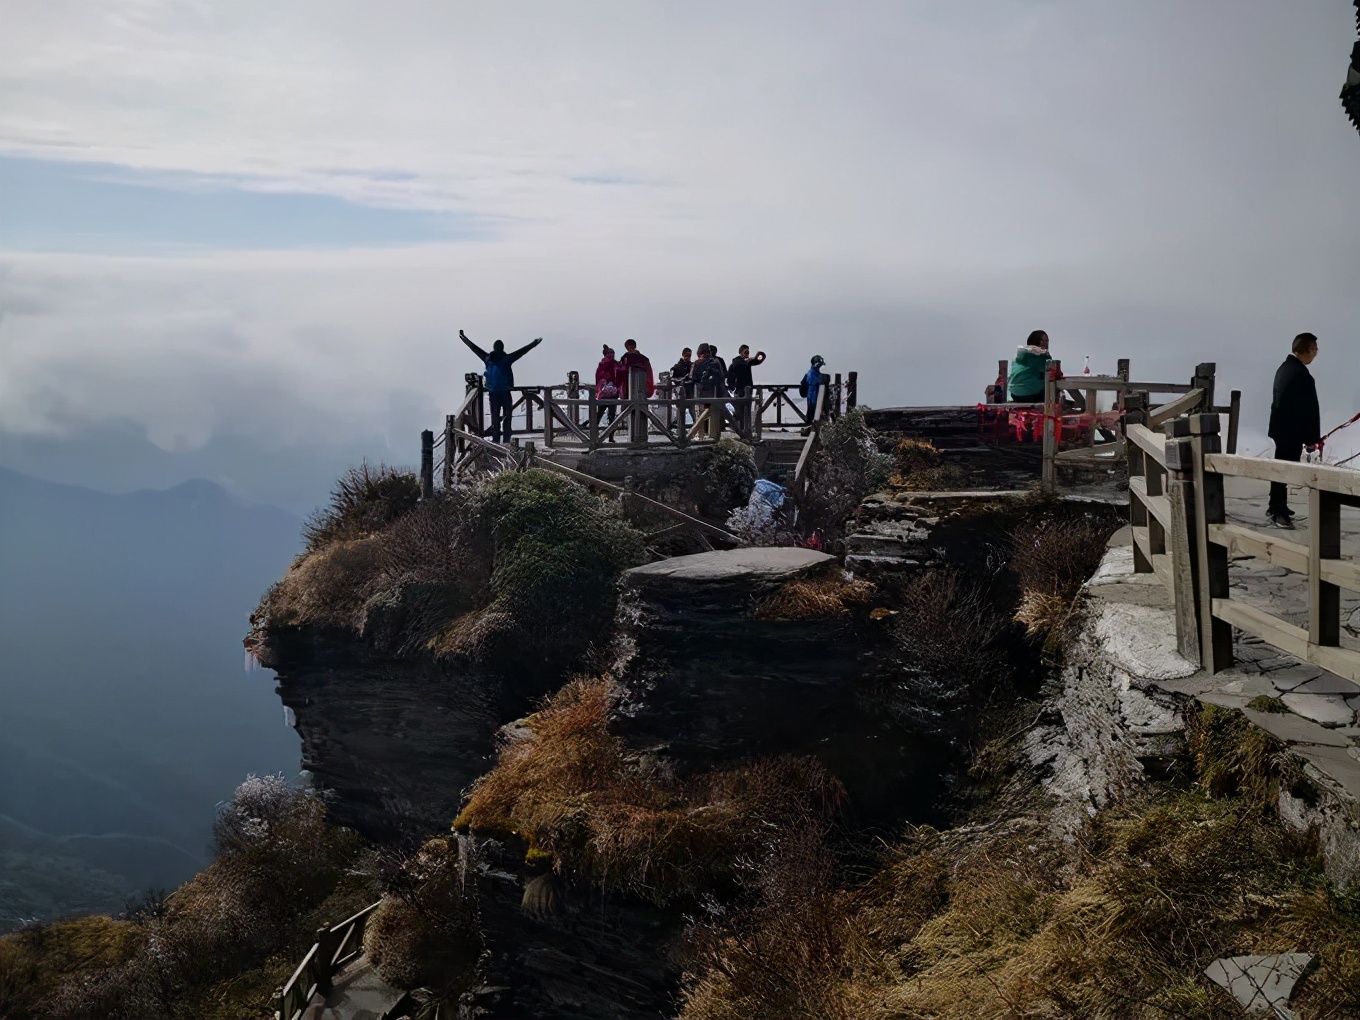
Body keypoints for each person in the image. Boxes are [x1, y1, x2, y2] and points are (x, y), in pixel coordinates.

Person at [1266, 333, 1322, 529]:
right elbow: (1307, 411)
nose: (1316, 351)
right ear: (1306, 350)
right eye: (1314, 347)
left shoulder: (1285, 368)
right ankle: (1278, 511)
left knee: (1281, 467)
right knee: (1285, 470)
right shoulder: (1300, 375)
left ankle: (1275, 505)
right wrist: (1311, 439)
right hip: (1291, 430)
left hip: (1282, 428)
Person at [459, 329, 541, 443]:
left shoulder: (488, 359)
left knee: (495, 418)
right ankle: (507, 440)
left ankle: (496, 441)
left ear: (494, 348)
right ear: (502, 348)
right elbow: (522, 351)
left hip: (493, 393)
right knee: (507, 417)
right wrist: (534, 343)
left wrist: (464, 339)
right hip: (505, 392)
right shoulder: (506, 359)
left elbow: (474, 348)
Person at [1007, 330, 1053, 403]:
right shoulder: (1043, 356)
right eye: (1046, 341)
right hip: (1032, 394)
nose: (1047, 343)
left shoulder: (1019, 353)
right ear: (1041, 342)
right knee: (1052, 388)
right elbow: (1051, 373)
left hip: (1015, 394)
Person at [595, 344, 624, 440]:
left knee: (599, 415)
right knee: (611, 416)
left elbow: (598, 378)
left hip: (603, 394)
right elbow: (621, 375)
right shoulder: (614, 364)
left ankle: (594, 435)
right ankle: (610, 436)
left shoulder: (601, 365)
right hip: (612, 394)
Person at [671, 347, 695, 426]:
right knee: (681, 408)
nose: (688, 357)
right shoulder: (677, 366)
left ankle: (695, 423)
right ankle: (678, 423)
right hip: (681, 389)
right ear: (683, 355)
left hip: (690, 389)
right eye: (686, 355)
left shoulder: (692, 366)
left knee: (691, 408)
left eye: (689, 355)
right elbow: (672, 377)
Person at [800, 355, 828, 420]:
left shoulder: (812, 373)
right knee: (813, 418)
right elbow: (815, 384)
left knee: (812, 418)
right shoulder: (813, 374)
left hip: (813, 400)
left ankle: (809, 428)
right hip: (814, 400)